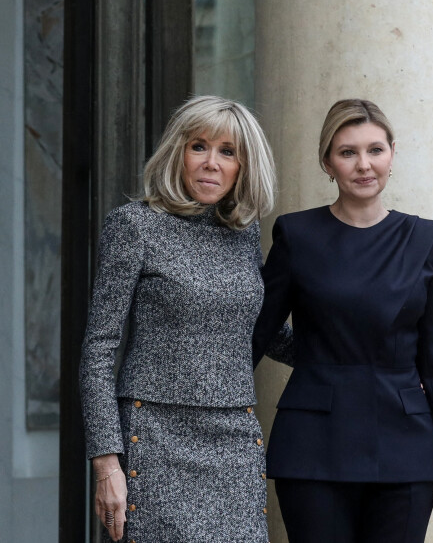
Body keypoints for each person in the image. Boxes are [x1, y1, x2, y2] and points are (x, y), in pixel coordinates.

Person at [253, 99, 433, 543]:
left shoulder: (425, 238)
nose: (363, 165)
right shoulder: (295, 235)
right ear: (327, 163)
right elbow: (254, 335)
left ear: (392, 154)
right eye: (347, 152)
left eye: (375, 150)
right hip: (313, 446)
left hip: (406, 448)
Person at [80, 95, 283, 542]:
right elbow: (98, 351)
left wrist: (376, 353)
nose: (211, 163)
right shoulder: (134, 226)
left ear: (243, 167)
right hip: (155, 438)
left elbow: (265, 331)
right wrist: (106, 461)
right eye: (199, 147)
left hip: (234, 440)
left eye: (228, 152)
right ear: (178, 152)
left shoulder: (244, 234)